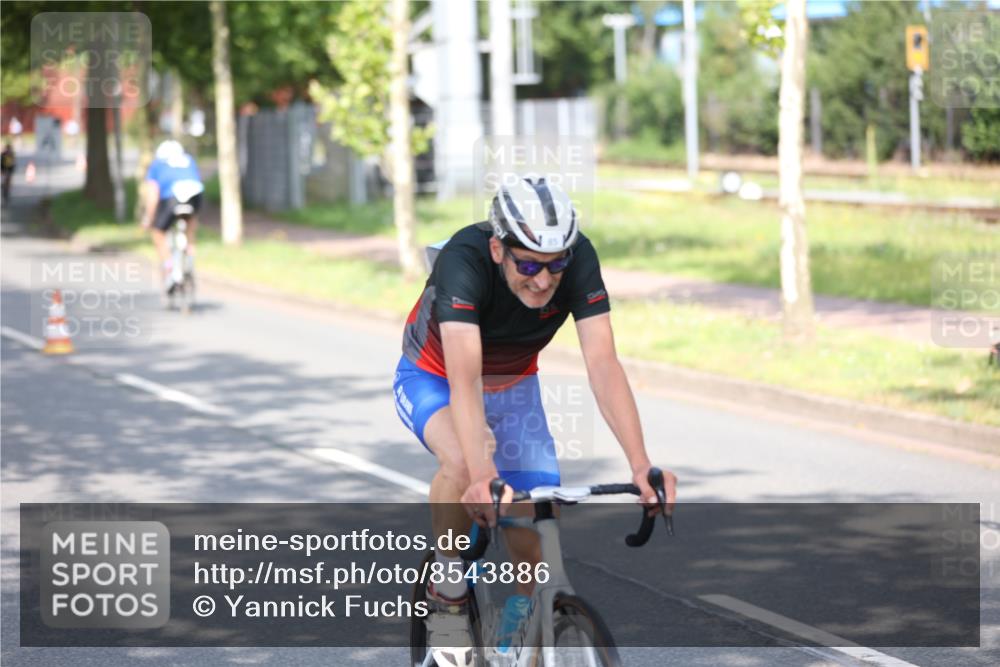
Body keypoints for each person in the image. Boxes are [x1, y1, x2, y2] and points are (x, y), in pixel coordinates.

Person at [393, 175, 678, 665]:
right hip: (434, 377)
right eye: (528, 263)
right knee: (463, 462)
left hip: (515, 386)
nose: (544, 280)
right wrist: (483, 476)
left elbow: (603, 364)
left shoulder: (579, 257)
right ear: (498, 250)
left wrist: (640, 466)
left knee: (536, 519)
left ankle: (518, 634)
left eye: (555, 265)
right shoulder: (465, 261)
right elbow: (464, 380)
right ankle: (447, 589)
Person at [141, 140, 203, 288]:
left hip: (171, 198)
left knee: (158, 232)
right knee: (190, 226)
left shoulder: (157, 165)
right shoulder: (189, 160)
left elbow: (153, 195)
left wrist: (149, 219)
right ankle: (190, 256)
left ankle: (169, 267)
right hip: (195, 195)